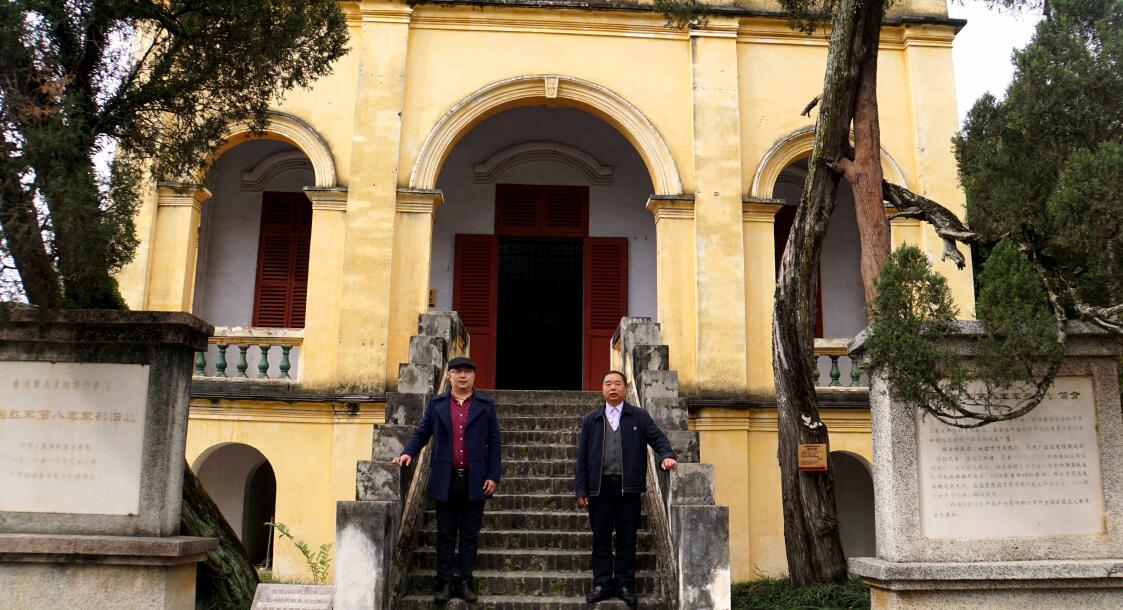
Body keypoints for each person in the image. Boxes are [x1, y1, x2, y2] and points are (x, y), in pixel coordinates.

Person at [392, 356, 501, 603]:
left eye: (467, 372)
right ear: (449, 375)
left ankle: (465, 581)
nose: (462, 376)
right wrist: (408, 452)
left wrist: (493, 475)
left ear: (473, 376)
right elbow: (422, 432)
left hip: (475, 479)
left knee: (470, 535)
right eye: (457, 371)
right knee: (445, 534)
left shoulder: (486, 406)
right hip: (446, 478)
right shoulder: (437, 404)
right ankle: (444, 582)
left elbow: (495, 444)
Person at [575, 370, 677, 607]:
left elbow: (658, 438)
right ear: (602, 389)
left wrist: (667, 455)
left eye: (617, 384)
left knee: (627, 539)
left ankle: (624, 585)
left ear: (625, 388)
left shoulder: (638, 416)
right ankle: (602, 583)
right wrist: (581, 489)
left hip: (628, 488)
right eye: (608, 384)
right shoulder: (591, 420)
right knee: (601, 538)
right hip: (599, 488)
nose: (612, 388)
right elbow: (582, 458)